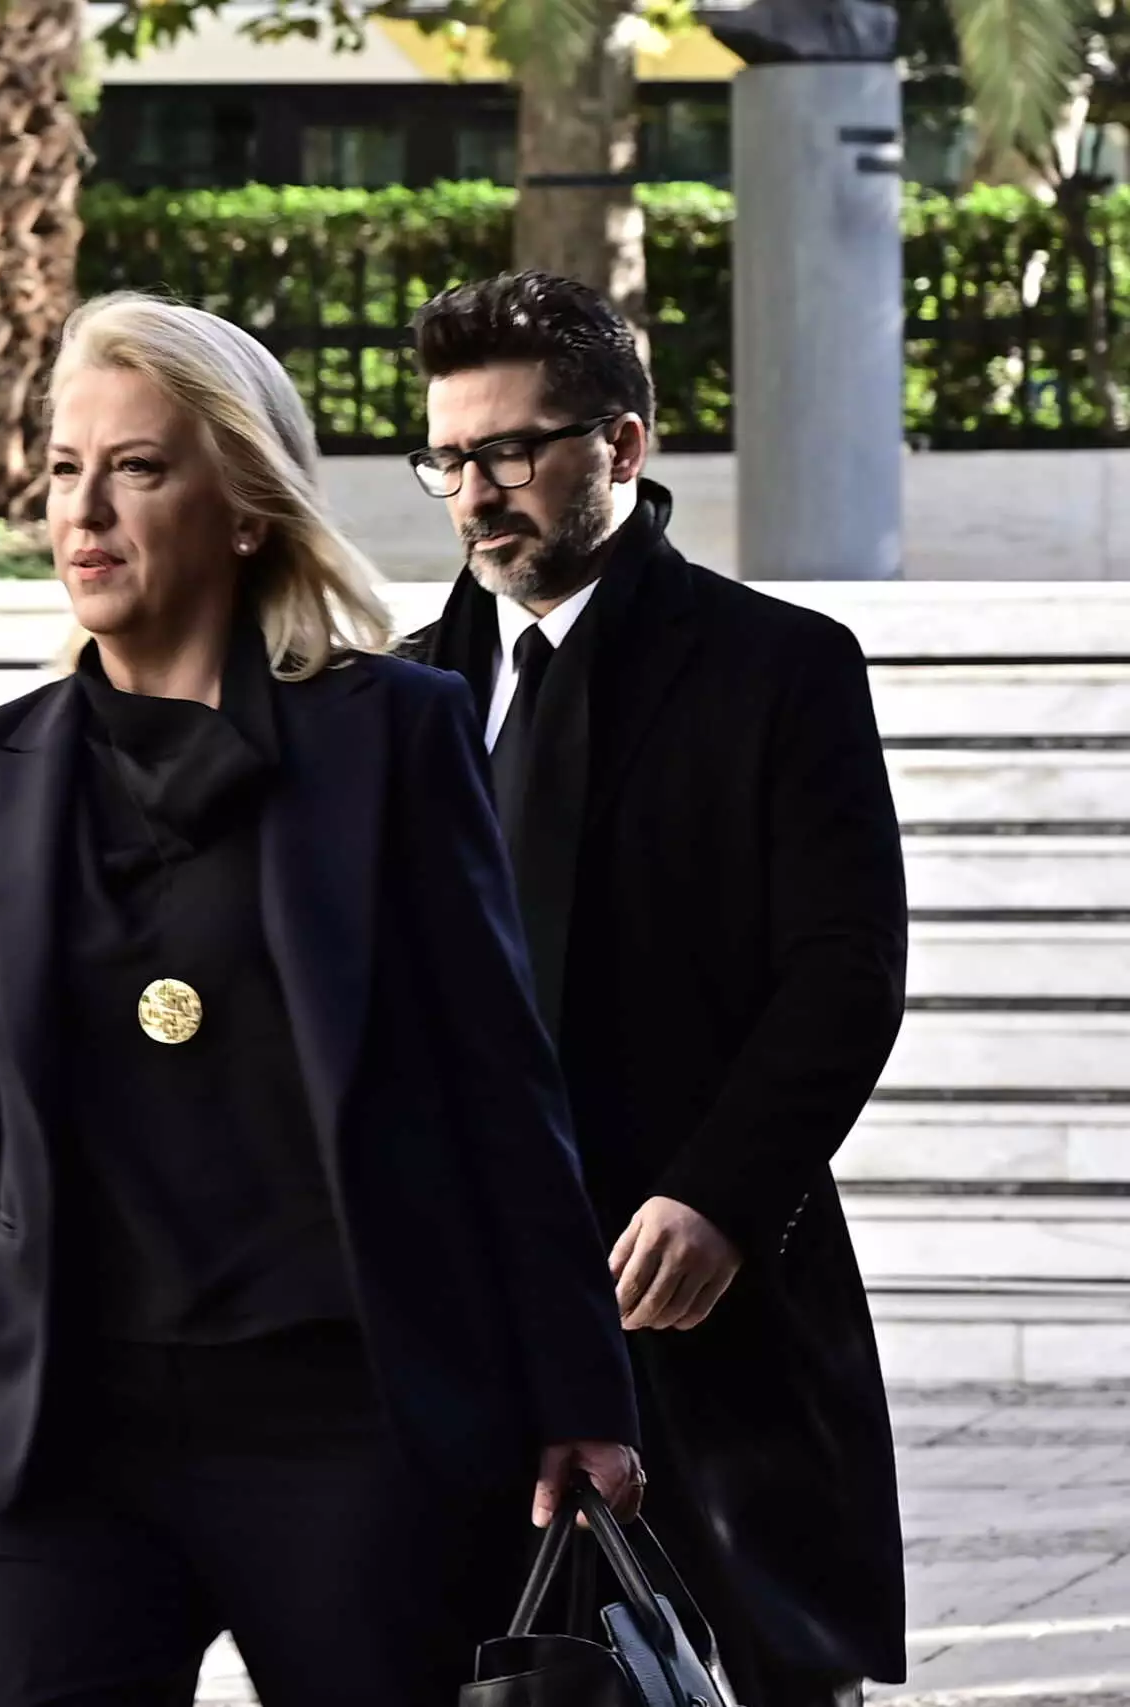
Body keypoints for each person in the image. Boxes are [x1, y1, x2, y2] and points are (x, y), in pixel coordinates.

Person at [0, 292, 643, 1706]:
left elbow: (499, 1079)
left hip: (352, 1429)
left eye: (138, 468)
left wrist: (581, 1392)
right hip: (58, 1437)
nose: (86, 511)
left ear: (246, 509)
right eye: (65, 469)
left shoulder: (393, 735)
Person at [402, 270, 908, 1707]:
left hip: (706, 1297)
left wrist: (721, 1197)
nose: (475, 495)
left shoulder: (781, 668)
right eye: (449, 458)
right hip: (469, 1315)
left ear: (622, 444)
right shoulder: (405, 691)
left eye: (513, 453)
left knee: (766, 1675)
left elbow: (845, 968)